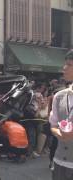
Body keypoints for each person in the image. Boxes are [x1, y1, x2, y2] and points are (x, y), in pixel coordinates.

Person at [49, 50, 73, 180]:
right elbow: (53, 124)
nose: (64, 68)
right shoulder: (59, 96)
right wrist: (60, 134)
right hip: (59, 161)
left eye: (69, 65)